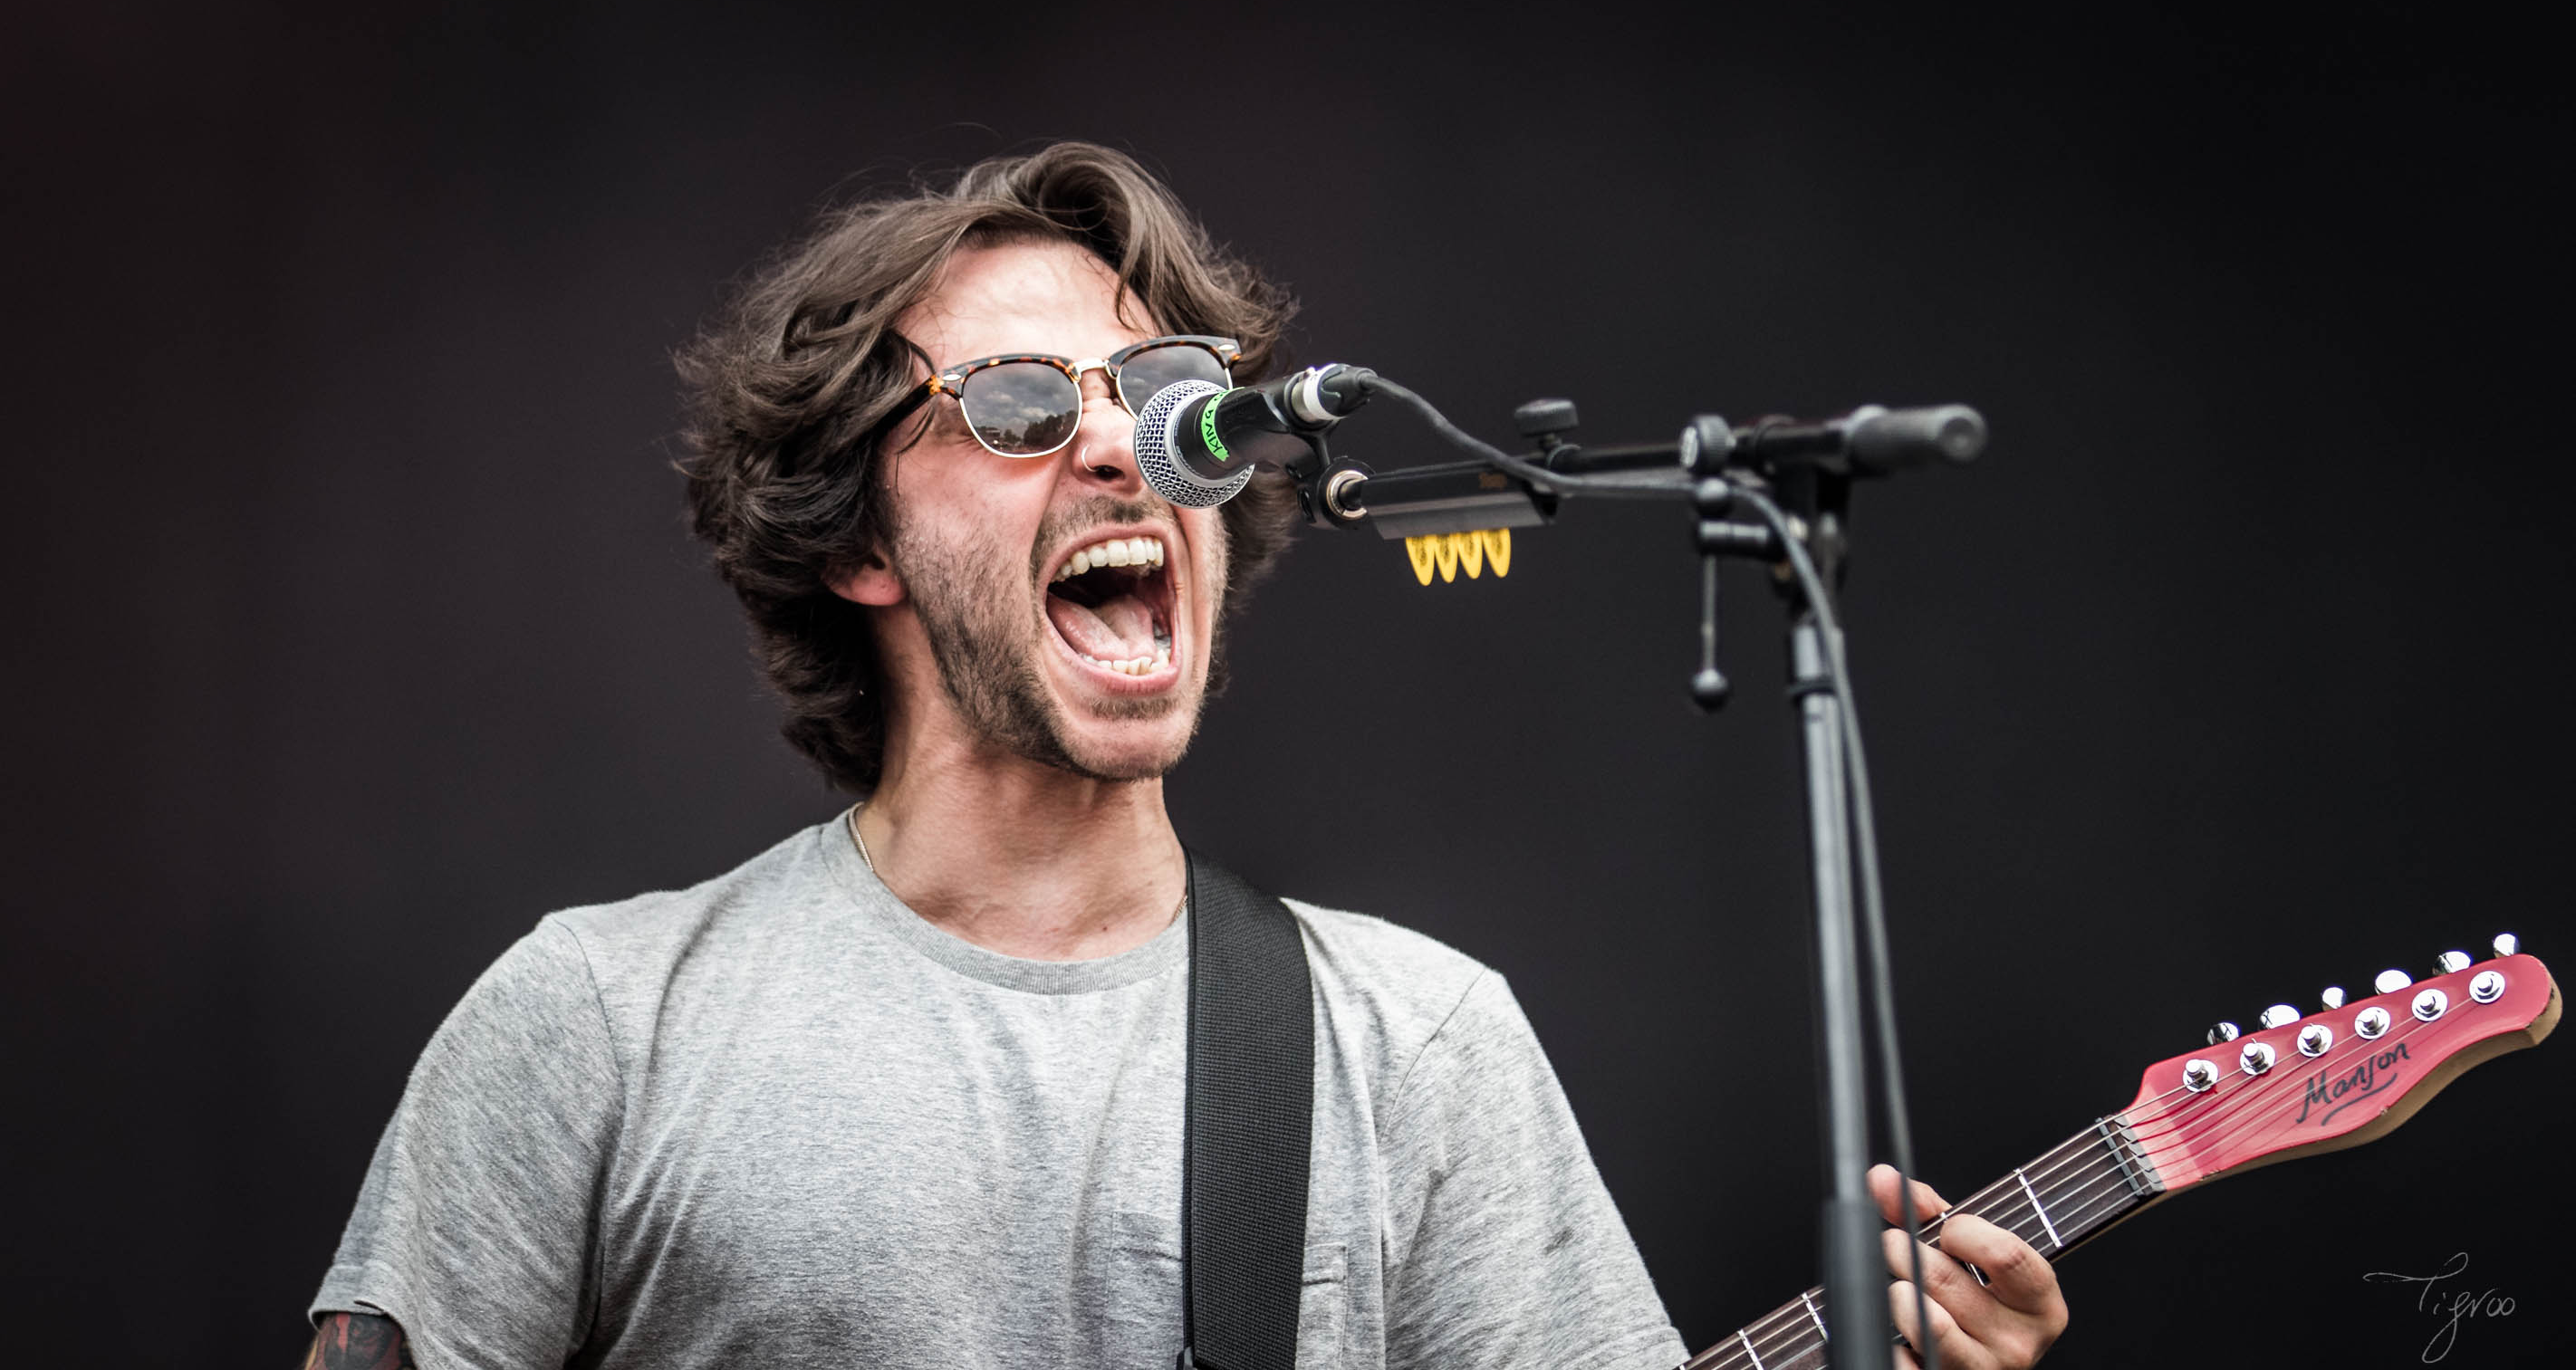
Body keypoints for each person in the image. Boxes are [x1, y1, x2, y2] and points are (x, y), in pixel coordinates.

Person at [301, 143, 2069, 1370]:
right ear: (855, 530)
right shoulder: (595, 1021)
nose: (1122, 454)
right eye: (1015, 407)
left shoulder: (1419, 1043)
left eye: (1164, 402)